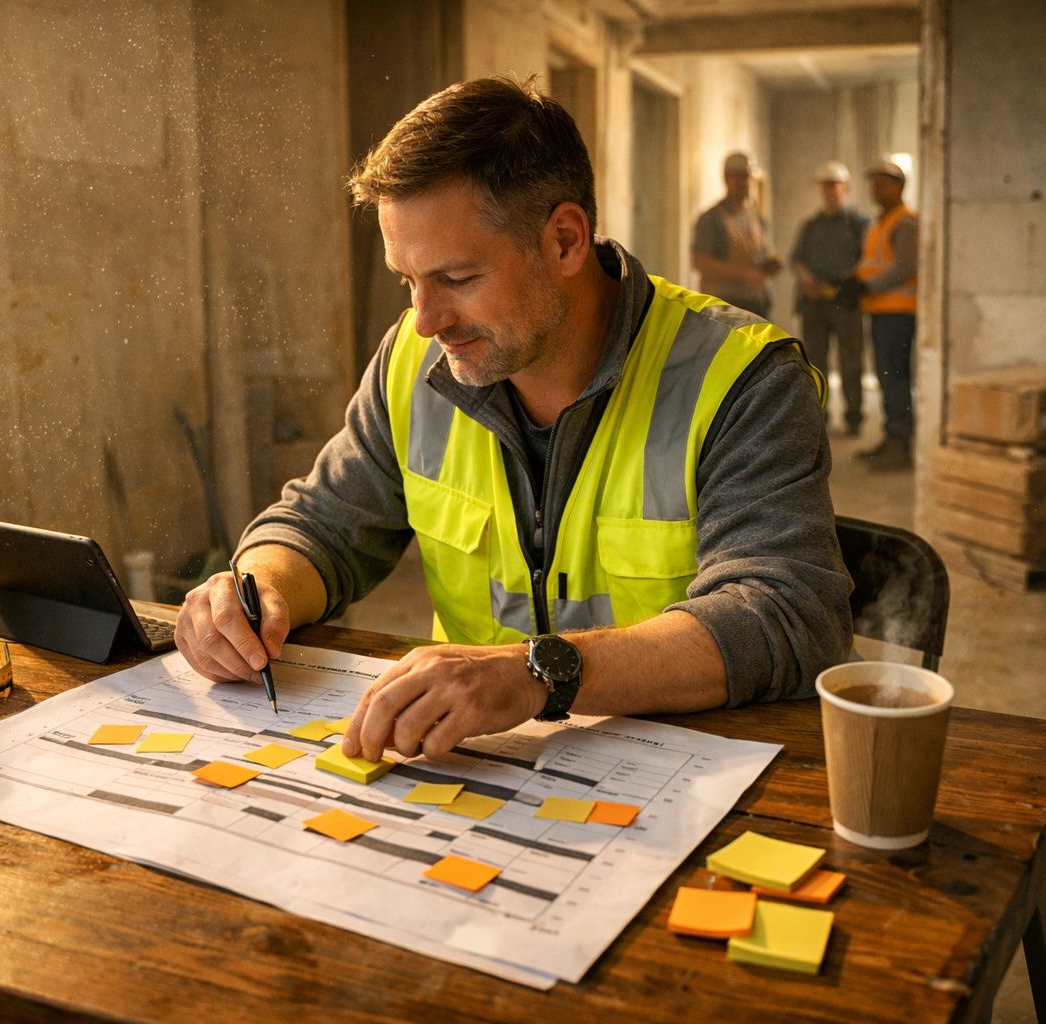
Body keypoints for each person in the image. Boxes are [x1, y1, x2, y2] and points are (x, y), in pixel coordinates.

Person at [174, 77, 852, 765]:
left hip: (682, 781)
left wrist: (535, 674)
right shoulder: (413, 360)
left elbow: (785, 614)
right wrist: (254, 589)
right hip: (472, 767)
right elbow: (323, 525)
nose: (426, 320)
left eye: (458, 278)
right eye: (406, 281)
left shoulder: (740, 378)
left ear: (564, 240)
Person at [841, 160, 918, 471]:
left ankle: (900, 444)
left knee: (896, 379)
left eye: (883, 183)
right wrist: (850, 280)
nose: (876, 188)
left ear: (899, 186)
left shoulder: (906, 222)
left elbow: (905, 266)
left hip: (898, 313)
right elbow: (872, 262)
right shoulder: (880, 223)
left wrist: (865, 285)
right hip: (880, 311)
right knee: (886, 379)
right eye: (873, 183)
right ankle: (891, 437)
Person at [789, 160, 869, 436]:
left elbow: (867, 258)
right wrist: (807, 279)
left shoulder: (859, 223)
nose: (830, 191)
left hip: (845, 302)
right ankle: (818, 414)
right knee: (815, 362)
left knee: (851, 360)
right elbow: (796, 259)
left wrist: (845, 279)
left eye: (834, 185)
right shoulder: (811, 225)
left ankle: (854, 416)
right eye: (825, 186)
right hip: (814, 303)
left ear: (845, 188)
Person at [690, 151, 782, 319]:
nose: (741, 182)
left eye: (745, 177)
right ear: (726, 178)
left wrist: (769, 265)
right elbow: (700, 262)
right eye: (736, 177)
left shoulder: (755, 215)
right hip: (725, 306)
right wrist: (745, 274)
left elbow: (759, 254)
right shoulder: (711, 219)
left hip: (755, 304)